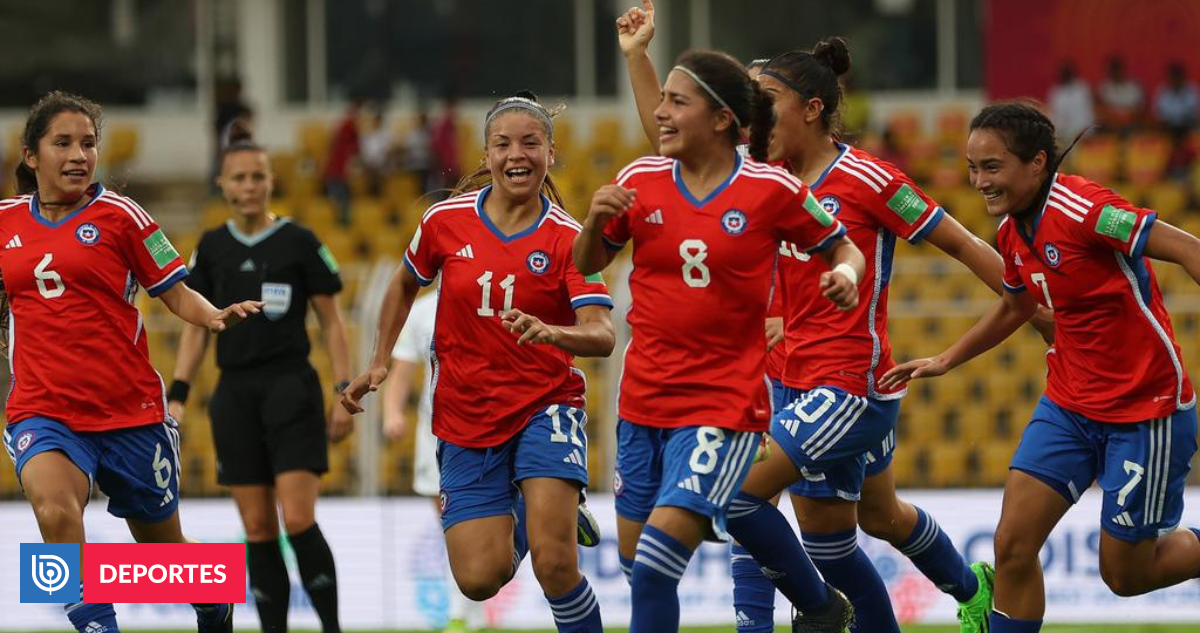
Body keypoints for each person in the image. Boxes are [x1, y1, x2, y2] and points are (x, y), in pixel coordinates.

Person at [617, 6, 1033, 631]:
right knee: (845, 537)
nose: (753, 118)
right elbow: (671, 146)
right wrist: (637, 58)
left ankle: (808, 613)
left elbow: (961, 242)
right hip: (787, 377)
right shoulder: (763, 176)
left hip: (849, 384)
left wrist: (1031, 302)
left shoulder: (868, 178)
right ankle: (966, 588)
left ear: (811, 109)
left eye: (767, 102)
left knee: (739, 493)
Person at [574, 46, 866, 632]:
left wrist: (846, 276)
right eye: (662, 101)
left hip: (723, 406)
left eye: (676, 102)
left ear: (721, 118)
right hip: (642, 403)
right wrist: (592, 220)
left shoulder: (769, 189)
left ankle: (815, 603)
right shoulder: (639, 180)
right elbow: (586, 263)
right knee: (638, 568)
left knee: (656, 565)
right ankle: (819, 606)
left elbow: (843, 245)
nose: (660, 113)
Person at [880, 100, 1200, 633]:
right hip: (1069, 406)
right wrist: (945, 359)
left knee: (1124, 576)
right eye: (973, 168)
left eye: (992, 167)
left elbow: (1189, 247)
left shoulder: (1085, 209)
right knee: (1011, 546)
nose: (980, 181)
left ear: (1037, 163)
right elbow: (1017, 305)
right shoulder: (1011, 230)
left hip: (1146, 410)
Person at [342, 91, 613, 633]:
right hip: (465, 416)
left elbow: (603, 334)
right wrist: (378, 363)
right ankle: (526, 513)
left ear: (551, 154)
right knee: (477, 579)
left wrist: (552, 332)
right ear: (486, 154)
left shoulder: (567, 238)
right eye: (503, 143)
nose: (518, 154)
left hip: (546, 404)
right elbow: (401, 284)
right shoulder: (445, 222)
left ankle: (546, 516)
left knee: (556, 563)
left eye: (531, 143)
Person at [0, 91, 260, 633]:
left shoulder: (122, 216)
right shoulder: (3, 223)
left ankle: (212, 594)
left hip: (129, 412)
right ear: (30, 156)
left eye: (88, 144)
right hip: (43, 411)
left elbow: (174, 288)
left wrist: (212, 317)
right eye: (63, 143)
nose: (79, 155)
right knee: (56, 514)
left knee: (163, 553)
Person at [168, 123, 353, 633]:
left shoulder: (299, 241)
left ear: (271, 181)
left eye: (257, 176)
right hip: (235, 394)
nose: (249, 186)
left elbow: (332, 321)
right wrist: (178, 394)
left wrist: (344, 389)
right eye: (239, 178)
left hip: (291, 388)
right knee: (256, 527)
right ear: (223, 186)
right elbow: (196, 329)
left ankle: (332, 628)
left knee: (297, 519)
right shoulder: (210, 247)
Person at [383, 289, 488, 633]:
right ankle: (463, 612)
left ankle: (467, 611)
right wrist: (391, 412)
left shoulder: (487, 300)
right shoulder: (423, 310)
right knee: (450, 525)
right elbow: (402, 369)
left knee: (483, 522)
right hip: (435, 432)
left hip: (486, 427)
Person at [1046, 62, 1094, 146]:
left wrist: (1086, 132)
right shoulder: (1055, 92)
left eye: (1068, 72)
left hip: (1084, 137)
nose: (1065, 75)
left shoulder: (1082, 88)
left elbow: (1088, 114)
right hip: (1063, 139)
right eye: (1063, 73)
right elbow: (1054, 118)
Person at [1097, 57, 1144, 135]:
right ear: (1110, 71)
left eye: (1118, 69)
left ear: (1124, 70)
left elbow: (1139, 109)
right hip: (1111, 126)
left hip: (1131, 124)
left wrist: (1125, 118)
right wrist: (1114, 119)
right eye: (1114, 70)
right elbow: (1102, 110)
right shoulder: (1104, 88)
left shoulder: (1134, 87)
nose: (1117, 73)